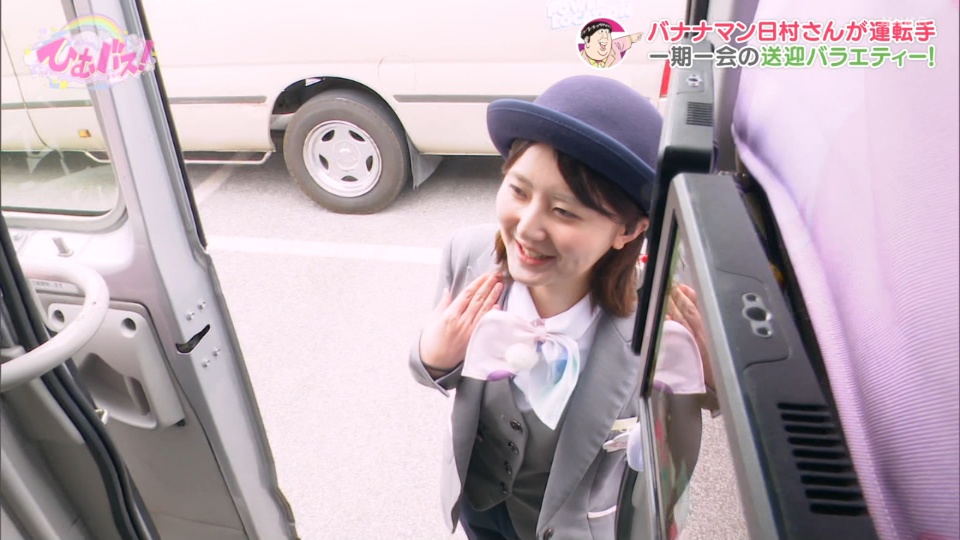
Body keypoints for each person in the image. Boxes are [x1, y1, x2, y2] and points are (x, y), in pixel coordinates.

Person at [408, 75, 707, 540]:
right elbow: (435, 364)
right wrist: (433, 357)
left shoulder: (656, 321)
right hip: (478, 500)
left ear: (628, 231)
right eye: (519, 191)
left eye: (564, 211)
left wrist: (715, 377)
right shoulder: (468, 253)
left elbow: (678, 454)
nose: (527, 228)